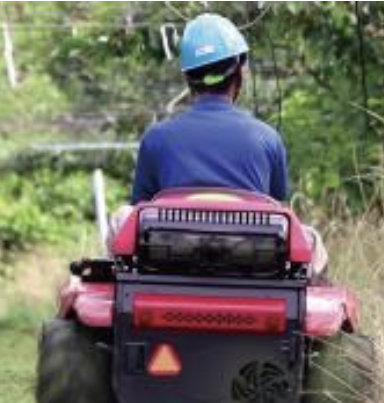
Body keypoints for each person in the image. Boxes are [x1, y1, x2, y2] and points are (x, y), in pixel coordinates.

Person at [118, 13, 327, 274]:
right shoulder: (267, 138)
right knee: (311, 239)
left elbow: (139, 215)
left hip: (172, 258)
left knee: (123, 216)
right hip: (250, 260)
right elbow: (277, 211)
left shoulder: (156, 138)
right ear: (240, 72)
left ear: (188, 79)